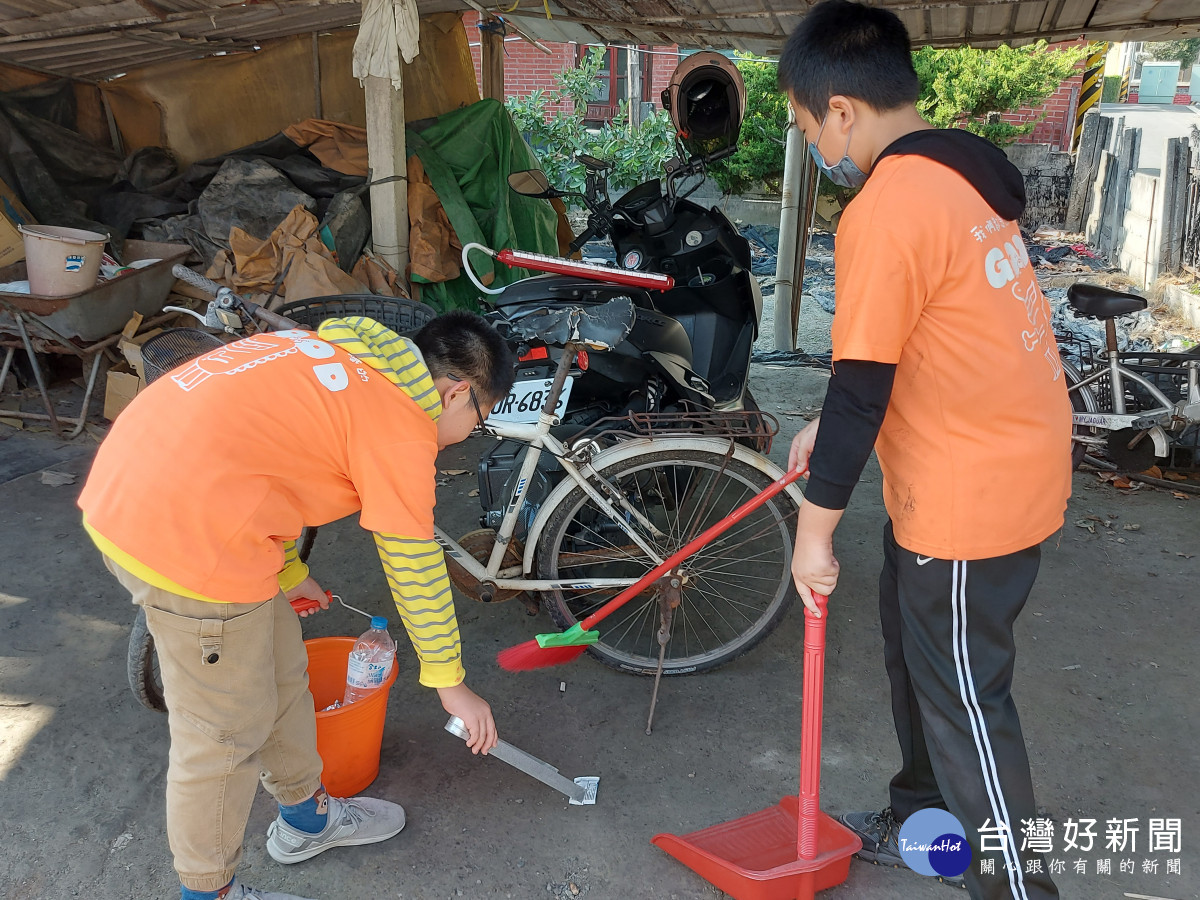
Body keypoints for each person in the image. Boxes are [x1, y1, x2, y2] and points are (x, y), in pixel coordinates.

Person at [778, 3, 1069, 898]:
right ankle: (922, 817)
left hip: (969, 496)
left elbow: (863, 386)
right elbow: (928, 341)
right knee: (916, 656)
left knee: (967, 704)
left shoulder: (890, 207)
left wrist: (814, 531)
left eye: (803, 128)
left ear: (839, 111)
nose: (814, 151)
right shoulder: (958, 172)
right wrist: (828, 427)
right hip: (987, 462)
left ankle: (1018, 888)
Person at [79, 310, 515, 900]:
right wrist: (449, 680)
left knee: (284, 672)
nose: (468, 433)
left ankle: (306, 821)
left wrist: (287, 571)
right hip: (183, 536)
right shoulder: (400, 423)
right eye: (479, 420)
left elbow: (264, 459)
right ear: (456, 391)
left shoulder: (330, 356)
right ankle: (210, 895)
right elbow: (413, 562)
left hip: (153, 489)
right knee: (222, 738)